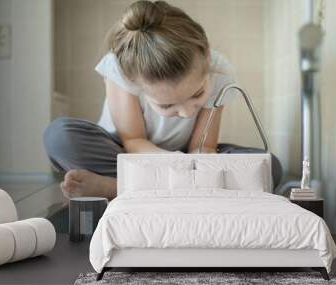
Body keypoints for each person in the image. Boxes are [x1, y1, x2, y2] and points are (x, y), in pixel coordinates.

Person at [43, 0, 240, 201]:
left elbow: (203, 147)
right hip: (127, 152)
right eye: (166, 105)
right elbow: (133, 141)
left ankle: (121, 188)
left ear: (207, 55)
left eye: (197, 94)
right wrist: (183, 168)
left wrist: (197, 162)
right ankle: (180, 187)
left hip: (183, 156)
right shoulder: (119, 68)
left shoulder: (219, 70)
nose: (187, 113)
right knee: (60, 138)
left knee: (269, 166)